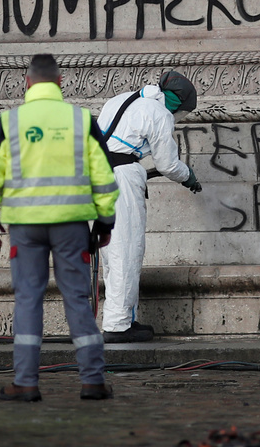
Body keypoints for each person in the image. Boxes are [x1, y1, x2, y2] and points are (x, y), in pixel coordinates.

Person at [0, 54, 119, 402]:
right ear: (60, 81)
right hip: (72, 226)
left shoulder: (9, 123)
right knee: (77, 300)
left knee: (28, 300)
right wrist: (104, 221)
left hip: (24, 228)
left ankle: (25, 383)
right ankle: (93, 381)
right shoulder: (80, 120)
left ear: (27, 83)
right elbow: (105, 177)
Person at [97, 70, 202, 343]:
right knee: (126, 249)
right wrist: (187, 176)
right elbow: (167, 164)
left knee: (110, 252)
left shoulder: (121, 100)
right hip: (120, 180)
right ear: (177, 104)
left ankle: (118, 318)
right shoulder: (159, 113)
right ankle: (118, 326)